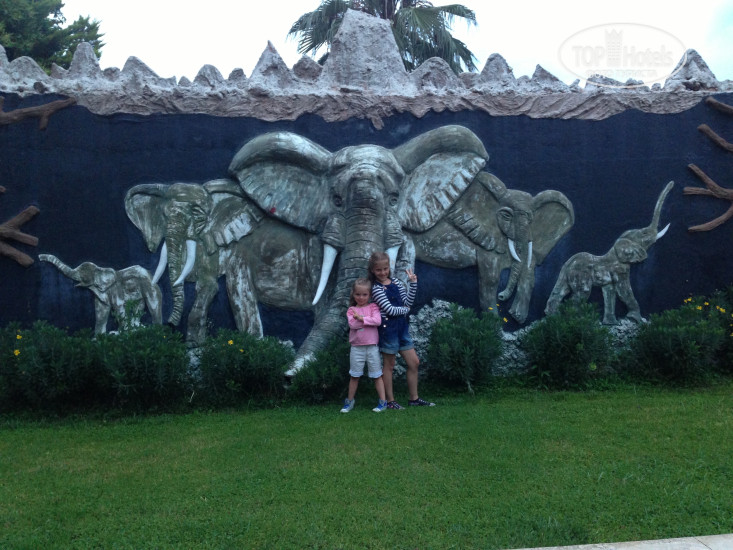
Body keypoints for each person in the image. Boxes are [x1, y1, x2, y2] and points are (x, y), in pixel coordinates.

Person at [368, 251, 435, 409]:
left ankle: (414, 399)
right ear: (372, 270)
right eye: (378, 270)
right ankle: (390, 401)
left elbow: (407, 302)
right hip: (388, 330)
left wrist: (413, 283)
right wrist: (405, 310)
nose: (383, 272)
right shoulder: (376, 289)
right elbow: (390, 310)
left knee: (414, 362)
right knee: (389, 365)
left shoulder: (397, 282)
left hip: (402, 328)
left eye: (385, 268)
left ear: (389, 267)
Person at [340, 278, 388, 413]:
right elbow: (352, 325)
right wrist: (367, 321)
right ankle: (349, 401)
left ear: (370, 295)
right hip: (356, 348)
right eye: (358, 294)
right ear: (353, 294)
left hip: (372, 347)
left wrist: (361, 318)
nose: (361, 297)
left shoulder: (373, 307)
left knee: (377, 375)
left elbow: (377, 321)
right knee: (354, 376)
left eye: (364, 294)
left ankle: (383, 402)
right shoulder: (351, 310)